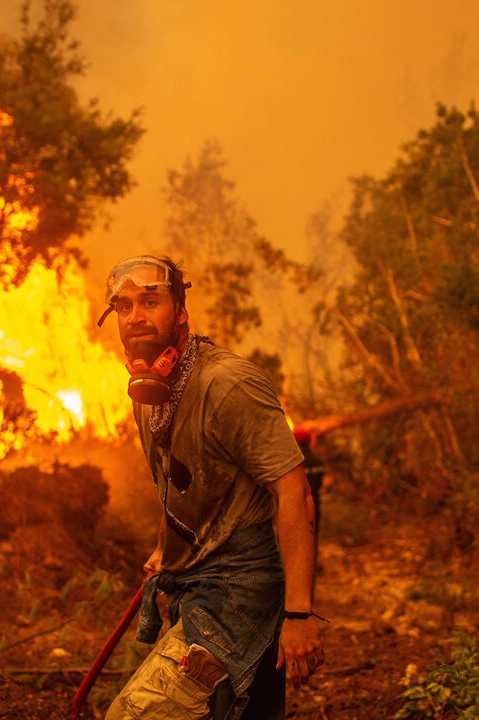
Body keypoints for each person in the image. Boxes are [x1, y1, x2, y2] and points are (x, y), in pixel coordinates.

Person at [97, 255, 325, 720]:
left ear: (181, 310)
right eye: (123, 306)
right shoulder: (148, 392)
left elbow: (295, 494)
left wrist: (299, 616)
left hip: (241, 593)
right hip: (198, 585)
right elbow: (177, 482)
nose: (135, 316)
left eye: (150, 301)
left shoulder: (228, 385)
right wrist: (166, 548)